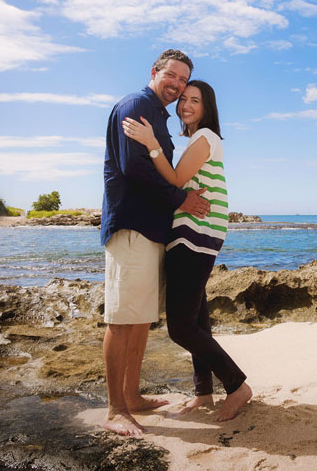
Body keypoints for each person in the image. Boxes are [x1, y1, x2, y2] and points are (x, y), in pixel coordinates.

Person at [122, 79, 253, 422]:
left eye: (195, 100)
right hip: (193, 234)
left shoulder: (205, 138)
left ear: (207, 107)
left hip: (196, 235)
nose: (186, 105)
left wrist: (151, 144)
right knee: (196, 319)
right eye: (183, 100)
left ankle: (237, 385)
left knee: (180, 327)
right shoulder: (199, 139)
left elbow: (176, 180)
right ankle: (203, 392)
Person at [100, 49, 211, 436]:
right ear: (155, 72)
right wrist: (182, 199)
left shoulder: (158, 115)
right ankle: (116, 409)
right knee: (122, 318)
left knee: (140, 319)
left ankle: (132, 396)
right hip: (132, 226)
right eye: (172, 76)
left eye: (183, 81)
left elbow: (162, 168)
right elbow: (134, 168)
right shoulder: (136, 105)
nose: (177, 85)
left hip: (153, 230)